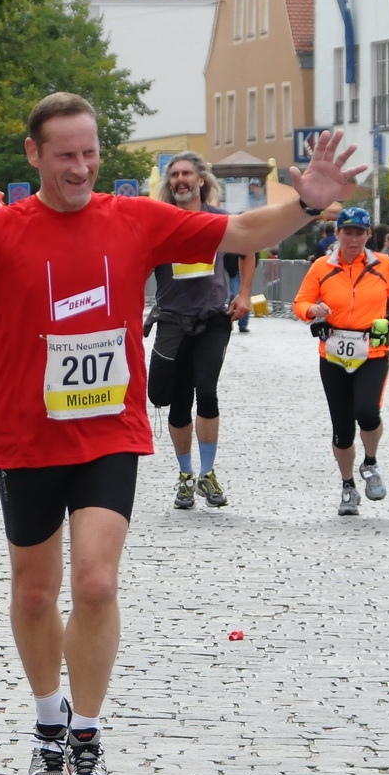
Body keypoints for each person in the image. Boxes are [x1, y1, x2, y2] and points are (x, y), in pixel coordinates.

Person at [0, 93, 363, 775]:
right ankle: (47, 718)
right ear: (33, 155)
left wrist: (306, 204)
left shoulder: (134, 219)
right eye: (65, 155)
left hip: (108, 429)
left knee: (95, 583)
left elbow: (238, 228)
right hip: (27, 431)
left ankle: (85, 733)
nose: (80, 167)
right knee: (32, 591)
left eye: (89, 153)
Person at [145, 151, 252, 510]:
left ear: (200, 180)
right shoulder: (160, 223)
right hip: (173, 320)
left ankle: (208, 473)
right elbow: (134, 262)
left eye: (186, 173)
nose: (180, 179)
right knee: (176, 401)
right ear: (168, 182)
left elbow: (248, 247)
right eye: (174, 174)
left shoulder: (219, 219)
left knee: (206, 391)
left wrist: (245, 294)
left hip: (213, 318)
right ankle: (186, 475)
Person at [293, 207, 389, 516]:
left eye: (360, 233)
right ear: (338, 234)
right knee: (342, 428)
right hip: (333, 352)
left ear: (368, 235)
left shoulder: (383, 265)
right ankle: (348, 487)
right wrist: (312, 311)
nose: (354, 239)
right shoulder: (321, 266)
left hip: (373, 349)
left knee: (368, 411)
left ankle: (370, 463)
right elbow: (300, 302)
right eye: (348, 232)